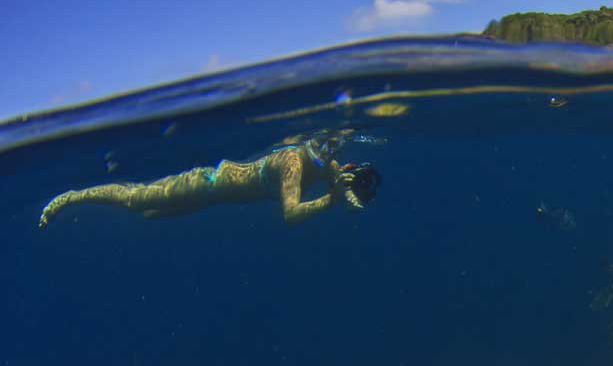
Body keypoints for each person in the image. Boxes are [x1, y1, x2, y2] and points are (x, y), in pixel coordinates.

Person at [38, 135, 381, 228]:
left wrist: (350, 196)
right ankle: (73, 196)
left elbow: (346, 193)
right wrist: (329, 200)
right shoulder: (292, 161)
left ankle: (77, 197)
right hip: (207, 184)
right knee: (135, 200)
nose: (330, 149)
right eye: (326, 143)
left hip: (213, 199)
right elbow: (290, 215)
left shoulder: (327, 163)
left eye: (335, 145)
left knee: (151, 216)